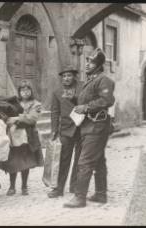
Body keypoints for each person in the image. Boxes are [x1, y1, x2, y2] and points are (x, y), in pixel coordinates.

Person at [63, 48, 115, 208]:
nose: (87, 64)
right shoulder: (91, 80)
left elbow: (107, 100)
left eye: (91, 61)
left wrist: (85, 107)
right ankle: (101, 194)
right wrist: (75, 99)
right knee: (98, 161)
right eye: (87, 60)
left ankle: (80, 197)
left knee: (84, 161)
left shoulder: (103, 80)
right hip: (89, 126)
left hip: (97, 126)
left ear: (99, 65)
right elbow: (87, 100)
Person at [0, 80, 44, 196]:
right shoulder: (13, 102)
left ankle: (24, 186)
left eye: (27, 90)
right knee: (13, 161)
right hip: (13, 137)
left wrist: (16, 118)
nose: (25, 92)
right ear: (19, 92)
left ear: (31, 91)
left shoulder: (36, 104)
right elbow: (6, 115)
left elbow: (32, 118)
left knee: (26, 162)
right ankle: (12, 186)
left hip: (27, 137)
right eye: (22, 90)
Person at [47, 65, 82, 198]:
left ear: (74, 77)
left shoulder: (82, 88)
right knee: (62, 160)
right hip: (66, 130)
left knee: (80, 160)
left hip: (81, 128)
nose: (66, 78)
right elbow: (55, 112)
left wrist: (75, 97)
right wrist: (54, 130)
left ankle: (75, 186)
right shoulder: (57, 92)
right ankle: (58, 188)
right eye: (64, 76)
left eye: (69, 76)